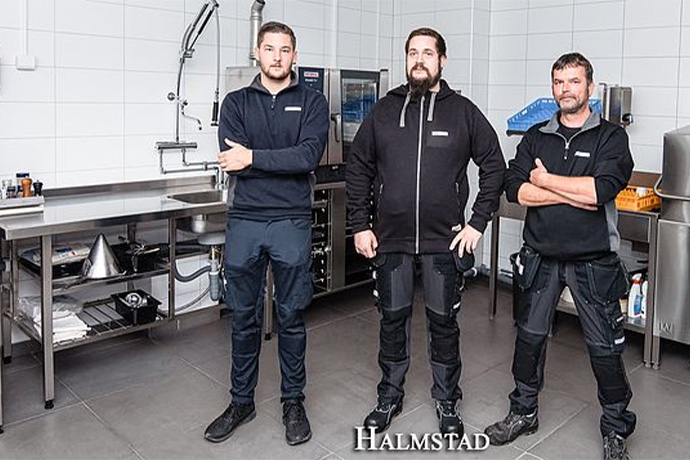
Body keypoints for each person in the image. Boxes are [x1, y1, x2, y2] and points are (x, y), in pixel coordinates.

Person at [346, 27, 505, 436]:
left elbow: (494, 165)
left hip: (443, 242)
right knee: (391, 320)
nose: (419, 59)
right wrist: (360, 225)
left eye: (428, 53)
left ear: (442, 60)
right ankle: (389, 395)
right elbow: (358, 167)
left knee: (443, 323)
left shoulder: (463, 112)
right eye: (412, 52)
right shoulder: (384, 110)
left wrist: (477, 222)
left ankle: (447, 399)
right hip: (391, 240)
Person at [483, 52, 636, 460]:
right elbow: (515, 190)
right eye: (559, 82)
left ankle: (615, 427)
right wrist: (572, 192)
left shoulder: (610, 138)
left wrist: (547, 180)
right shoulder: (536, 136)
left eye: (573, 81)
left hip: (593, 261)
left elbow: (600, 192)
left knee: (605, 349)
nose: (565, 89)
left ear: (590, 86)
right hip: (541, 256)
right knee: (529, 339)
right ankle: (523, 411)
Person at [204, 21, 329, 446]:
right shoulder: (236, 103)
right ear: (256, 53)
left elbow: (307, 156)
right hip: (245, 220)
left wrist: (253, 157)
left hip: (291, 220)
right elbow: (231, 159)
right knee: (243, 317)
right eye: (270, 48)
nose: (277, 57)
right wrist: (275, 160)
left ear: (295, 55)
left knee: (291, 316)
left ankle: (293, 402)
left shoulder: (312, 101)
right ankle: (242, 401)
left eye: (285, 49)